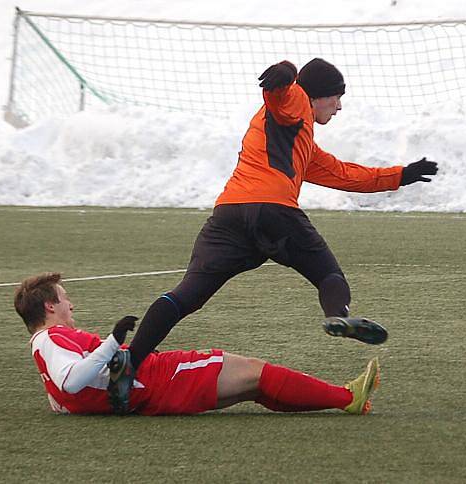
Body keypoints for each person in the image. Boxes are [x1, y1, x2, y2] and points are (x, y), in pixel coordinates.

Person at [111, 57, 438, 413]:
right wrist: (283, 77)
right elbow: (281, 102)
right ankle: (336, 315)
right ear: (316, 96)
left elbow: (346, 174)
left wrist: (400, 175)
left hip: (229, 216)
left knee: (186, 296)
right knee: (329, 275)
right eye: (336, 97)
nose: (340, 106)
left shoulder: (303, 143)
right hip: (274, 213)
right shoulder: (296, 100)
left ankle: (131, 361)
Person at [15, 272, 380, 415]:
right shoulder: (50, 338)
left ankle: (345, 398)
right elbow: (72, 381)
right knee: (255, 371)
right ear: (49, 306)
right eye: (64, 299)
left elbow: (62, 392)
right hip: (157, 378)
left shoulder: (43, 346)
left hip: (148, 394)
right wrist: (113, 341)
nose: (70, 304)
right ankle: (348, 397)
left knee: (252, 387)